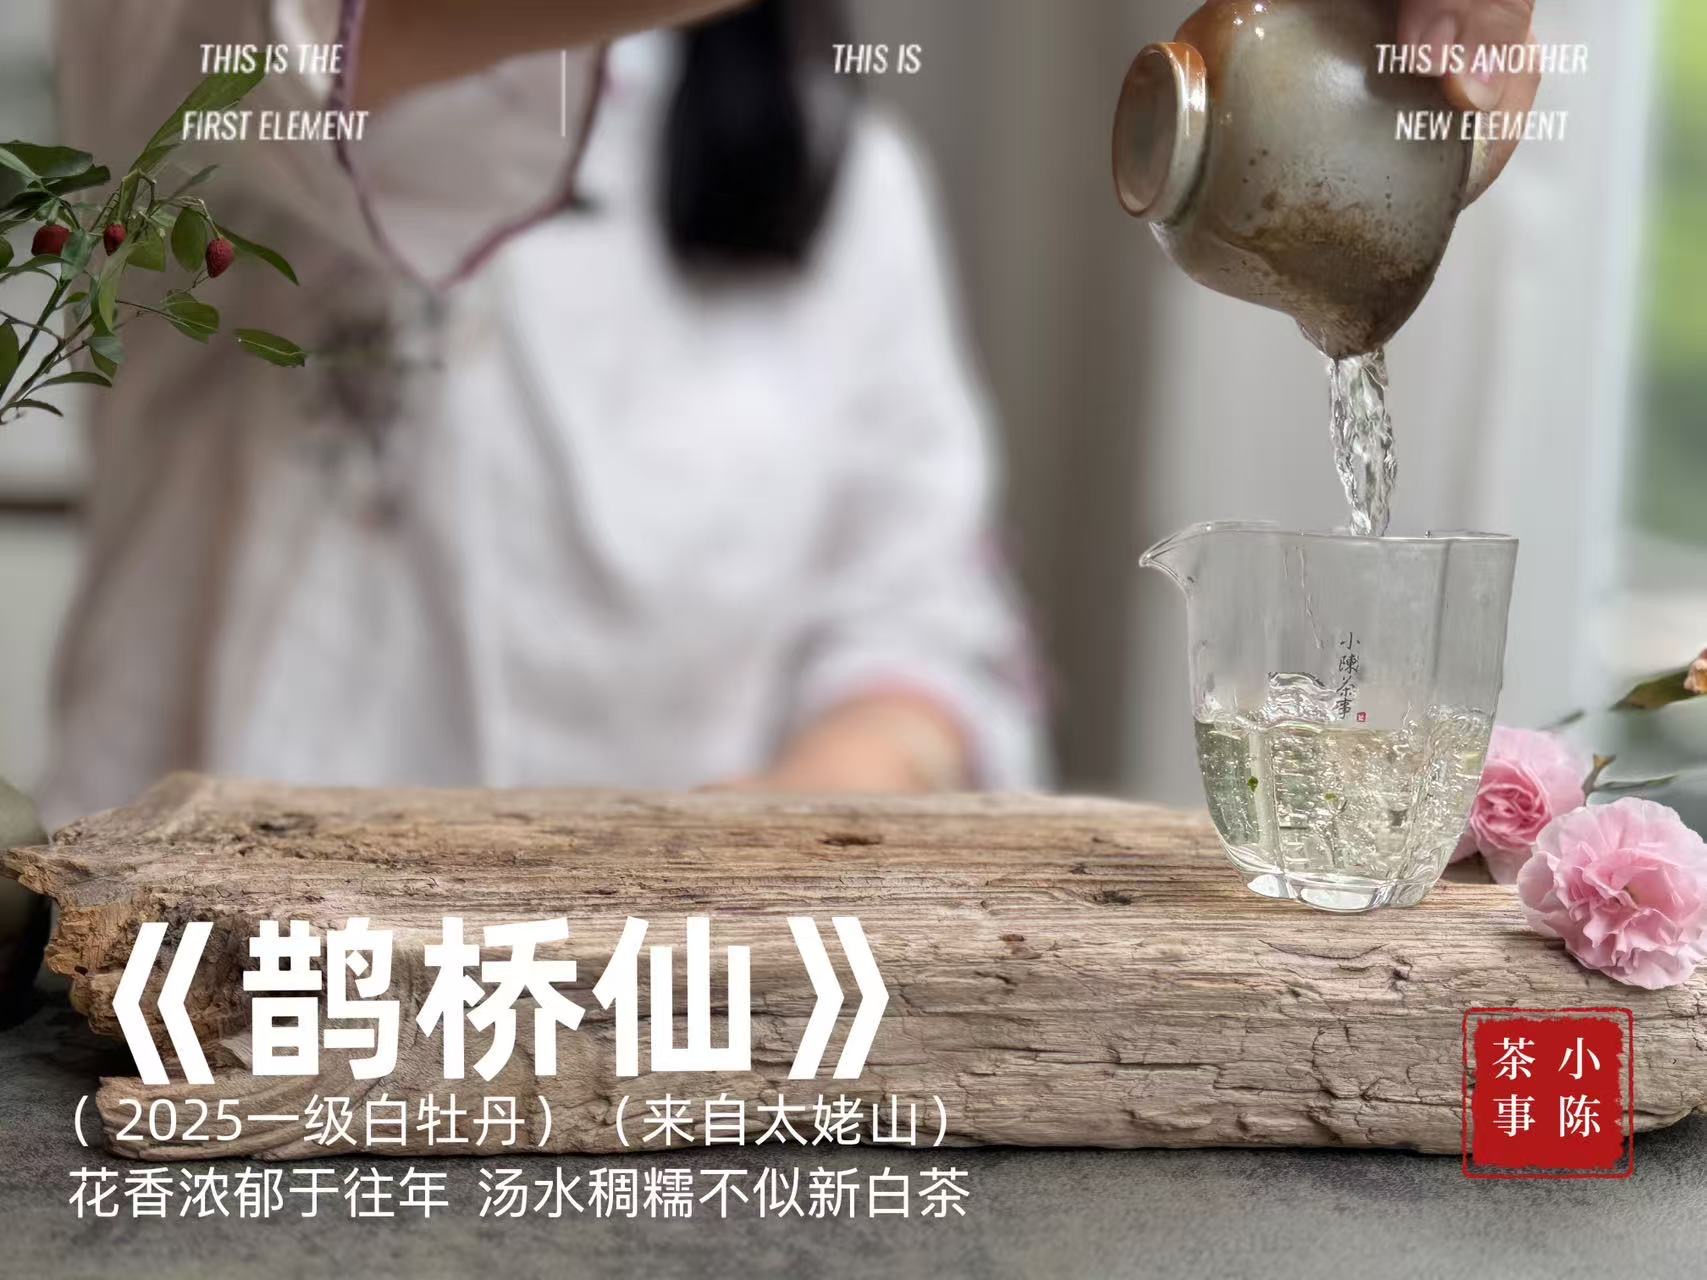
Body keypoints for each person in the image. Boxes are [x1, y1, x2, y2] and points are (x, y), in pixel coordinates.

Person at [37, 0, 1047, 828]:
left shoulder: (843, 173)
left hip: (657, 983)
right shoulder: (196, 50)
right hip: (196, 973)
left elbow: (916, 615)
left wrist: (810, 799)